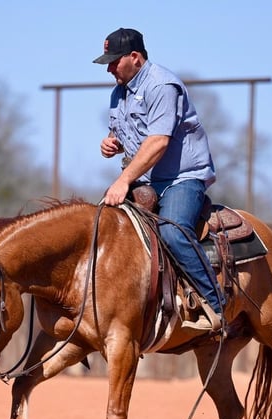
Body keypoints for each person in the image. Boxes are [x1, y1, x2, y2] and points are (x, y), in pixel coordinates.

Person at [93, 27, 225, 333]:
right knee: (102, 226)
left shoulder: (162, 85)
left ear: (135, 58)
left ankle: (216, 305)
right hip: (147, 179)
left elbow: (158, 142)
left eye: (114, 61)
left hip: (181, 178)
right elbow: (127, 135)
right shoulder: (119, 92)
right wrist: (111, 143)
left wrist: (123, 180)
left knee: (173, 232)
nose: (110, 68)